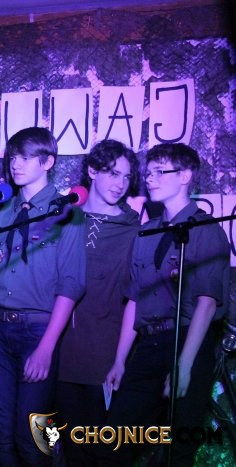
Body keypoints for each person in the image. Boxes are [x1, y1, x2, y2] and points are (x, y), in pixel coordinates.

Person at [103, 143, 230, 466]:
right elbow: (134, 299)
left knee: (176, 451)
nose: (150, 179)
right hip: (149, 345)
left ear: (185, 176)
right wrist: (119, 360)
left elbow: (206, 303)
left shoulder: (205, 229)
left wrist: (184, 364)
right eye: (148, 173)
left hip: (188, 341)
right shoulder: (145, 233)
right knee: (115, 441)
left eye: (160, 172)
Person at [0, 126, 86, 466]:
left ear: (48, 161)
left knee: (32, 435)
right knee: (1, 433)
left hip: (36, 331)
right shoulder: (0, 214)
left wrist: (46, 347)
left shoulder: (68, 213)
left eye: (26, 157)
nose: (15, 164)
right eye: (13, 157)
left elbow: (71, 285)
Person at [55, 140, 140, 466]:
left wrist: (119, 359)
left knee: (99, 450)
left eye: (126, 177)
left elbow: (135, 297)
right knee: (67, 451)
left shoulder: (133, 229)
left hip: (104, 352)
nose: (120, 184)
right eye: (113, 173)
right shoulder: (66, 217)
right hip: (61, 351)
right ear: (92, 170)